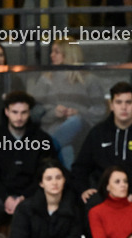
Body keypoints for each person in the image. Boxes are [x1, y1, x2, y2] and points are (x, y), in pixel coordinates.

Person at [71, 82, 132, 213]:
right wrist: (84, 189)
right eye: (119, 102)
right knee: (90, 201)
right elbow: (80, 167)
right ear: (111, 105)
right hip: (106, 192)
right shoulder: (98, 132)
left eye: (128, 102)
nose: (124, 107)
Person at [0, 91, 58, 237]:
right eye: (15, 112)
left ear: (30, 113)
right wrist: (6, 198)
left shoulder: (42, 140)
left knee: (43, 202)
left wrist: (24, 197)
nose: (19, 117)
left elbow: (48, 173)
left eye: (24, 112)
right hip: (1, 195)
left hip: (33, 193)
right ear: (7, 112)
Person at [29, 40, 106, 170]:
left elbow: (101, 110)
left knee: (75, 120)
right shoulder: (45, 80)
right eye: (52, 51)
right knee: (66, 148)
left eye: (56, 52)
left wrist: (78, 112)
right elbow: (34, 111)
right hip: (53, 128)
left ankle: (48, 148)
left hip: (81, 129)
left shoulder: (89, 80)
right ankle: (70, 181)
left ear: (68, 54)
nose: (51, 55)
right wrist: (54, 112)